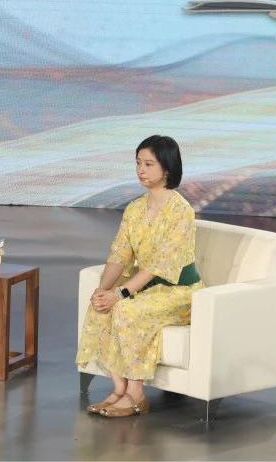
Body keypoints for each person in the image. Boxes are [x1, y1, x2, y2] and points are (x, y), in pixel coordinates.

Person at [76, 134, 205, 417]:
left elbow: (157, 265)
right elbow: (119, 254)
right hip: (145, 287)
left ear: (167, 168)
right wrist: (103, 289)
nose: (141, 170)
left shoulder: (180, 211)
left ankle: (136, 395)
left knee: (127, 310)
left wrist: (120, 293)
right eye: (138, 163)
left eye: (148, 164)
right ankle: (118, 389)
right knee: (101, 305)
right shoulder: (134, 209)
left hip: (179, 291)